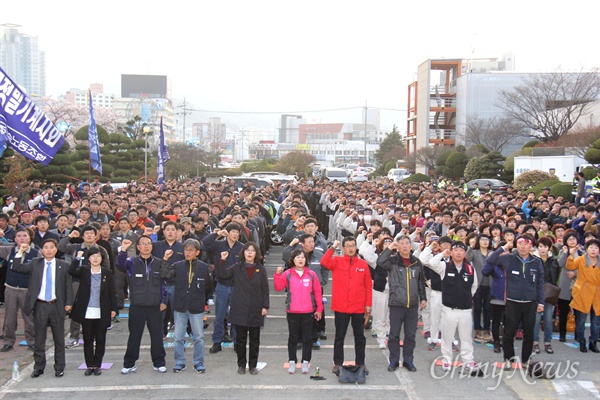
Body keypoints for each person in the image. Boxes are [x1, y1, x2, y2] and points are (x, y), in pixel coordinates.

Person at [12, 238, 73, 378]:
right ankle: (39, 367)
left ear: (56, 249)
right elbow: (17, 267)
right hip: (40, 305)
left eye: (52, 247)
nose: (49, 250)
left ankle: (59, 367)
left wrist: (68, 302)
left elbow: (68, 286)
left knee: (59, 339)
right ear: (42, 250)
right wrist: (20, 251)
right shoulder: (35, 263)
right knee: (39, 339)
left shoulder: (63, 265)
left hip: (56, 305)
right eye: (46, 247)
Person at [485, 234, 545, 369]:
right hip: (512, 301)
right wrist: (504, 247)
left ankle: (526, 360)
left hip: (530, 302)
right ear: (516, 245)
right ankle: (508, 359)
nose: (522, 247)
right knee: (509, 333)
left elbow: (540, 283)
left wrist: (541, 302)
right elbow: (491, 260)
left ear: (531, 246)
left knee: (529, 334)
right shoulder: (509, 258)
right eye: (520, 244)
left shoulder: (536, 261)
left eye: (526, 244)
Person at [320, 237, 372, 376]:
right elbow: (324, 262)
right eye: (347, 246)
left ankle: (361, 363)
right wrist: (332, 248)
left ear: (356, 247)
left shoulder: (363, 264)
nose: (350, 248)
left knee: (359, 336)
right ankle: (337, 363)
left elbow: (368, 285)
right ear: (343, 248)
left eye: (352, 246)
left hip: (358, 306)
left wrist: (368, 304)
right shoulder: (336, 261)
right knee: (339, 336)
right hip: (341, 306)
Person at [160, 239, 213, 373]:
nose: (187, 253)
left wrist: (202, 299)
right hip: (180, 305)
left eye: (191, 250)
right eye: (186, 250)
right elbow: (165, 275)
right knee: (178, 336)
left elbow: (209, 285)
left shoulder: (203, 267)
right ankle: (179, 362)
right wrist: (165, 259)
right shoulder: (178, 265)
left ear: (197, 252)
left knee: (199, 337)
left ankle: (198, 362)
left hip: (196, 306)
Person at [116, 236, 167, 374]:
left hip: (155, 306)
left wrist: (163, 301)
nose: (146, 246)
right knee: (134, 336)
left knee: (157, 336)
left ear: (152, 246)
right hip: (137, 306)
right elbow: (119, 265)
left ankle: (159, 362)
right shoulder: (131, 262)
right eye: (143, 244)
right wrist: (123, 250)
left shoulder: (159, 262)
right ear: (138, 247)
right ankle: (129, 363)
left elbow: (163, 283)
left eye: (148, 244)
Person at [217, 241, 269, 375]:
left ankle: (252, 365)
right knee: (240, 340)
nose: (250, 253)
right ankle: (241, 364)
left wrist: (265, 306)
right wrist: (222, 260)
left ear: (256, 253)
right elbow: (222, 275)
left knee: (254, 340)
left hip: (255, 308)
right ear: (243, 252)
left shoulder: (260, 269)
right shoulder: (237, 267)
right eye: (247, 250)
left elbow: (265, 289)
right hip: (239, 307)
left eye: (252, 250)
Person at [376, 235, 426, 372]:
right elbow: (380, 261)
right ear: (397, 246)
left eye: (407, 243)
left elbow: (421, 281)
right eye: (401, 243)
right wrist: (389, 248)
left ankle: (408, 360)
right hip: (397, 303)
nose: (404, 246)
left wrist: (423, 298)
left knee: (410, 335)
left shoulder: (417, 262)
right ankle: (393, 361)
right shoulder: (393, 261)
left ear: (411, 246)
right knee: (394, 335)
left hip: (413, 305)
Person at [429, 241, 479, 372]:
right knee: (447, 337)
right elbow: (432, 263)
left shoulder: (469, 268)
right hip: (449, 309)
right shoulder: (444, 266)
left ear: (465, 253)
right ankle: (446, 360)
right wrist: (442, 254)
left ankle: (468, 360)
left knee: (466, 337)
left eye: (461, 250)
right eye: (455, 250)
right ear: (451, 252)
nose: (458, 253)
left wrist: (466, 297)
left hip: (466, 310)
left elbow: (474, 287)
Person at [68, 246, 118, 376]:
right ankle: (89, 365)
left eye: (98, 256)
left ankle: (98, 365)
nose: (96, 258)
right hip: (87, 311)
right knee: (88, 339)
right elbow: (71, 271)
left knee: (100, 339)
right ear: (89, 258)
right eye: (93, 256)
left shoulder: (107, 273)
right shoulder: (84, 271)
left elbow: (112, 292)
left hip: (102, 310)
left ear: (102, 258)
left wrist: (114, 308)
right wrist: (77, 257)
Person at [274, 248, 323, 374]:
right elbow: (278, 287)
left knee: (308, 338)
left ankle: (305, 362)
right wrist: (277, 275)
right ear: (293, 260)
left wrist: (319, 309)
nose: (300, 260)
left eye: (302, 257)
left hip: (308, 311)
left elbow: (317, 293)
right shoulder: (288, 274)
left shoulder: (312, 274)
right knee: (293, 338)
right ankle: (292, 361)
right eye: (298, 257)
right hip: (293, 311)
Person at [202, 223, 244, 354]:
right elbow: (205, 243)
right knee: (220, 315)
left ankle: (237, 341)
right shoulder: (219, 245)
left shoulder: (241, 247)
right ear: (228, 232)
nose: (235, 234)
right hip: (222, 285)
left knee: (237, 315)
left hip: (237, 285)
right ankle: (217, 341)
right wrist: (217, 234)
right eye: (233, 231)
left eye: (237, 232)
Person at [0, 228, 39, 352]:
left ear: (29, 238)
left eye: (25, 235)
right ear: (15, 239)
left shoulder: (36, 253)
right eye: (19, 236)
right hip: (11, 288)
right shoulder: (9, 250)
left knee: (29, 317)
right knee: (9, 317)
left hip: (26, 289)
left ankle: (32, 341)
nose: (22, 238)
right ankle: (8, 341)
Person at [566, 238, 600, 353]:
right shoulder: (581, 259)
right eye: (591, 247)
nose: (593, 250)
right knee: (581, 320)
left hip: (597, 294)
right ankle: (581, 341)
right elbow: (570, 267)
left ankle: (593, 342)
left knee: (596, 321)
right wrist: (570, 255)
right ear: (586, 249)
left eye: (596, 247)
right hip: (583, 293)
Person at [533, 237, 560, 354]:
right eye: (540, 246)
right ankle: (535, 342)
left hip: (549, 293)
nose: (542, 249)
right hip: (536, 292)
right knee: (536, 319)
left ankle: (548, 343)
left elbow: (556, 275)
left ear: (549, 247)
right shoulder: (533, 259)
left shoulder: (553, 260)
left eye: (545, 246)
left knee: (548, 319)